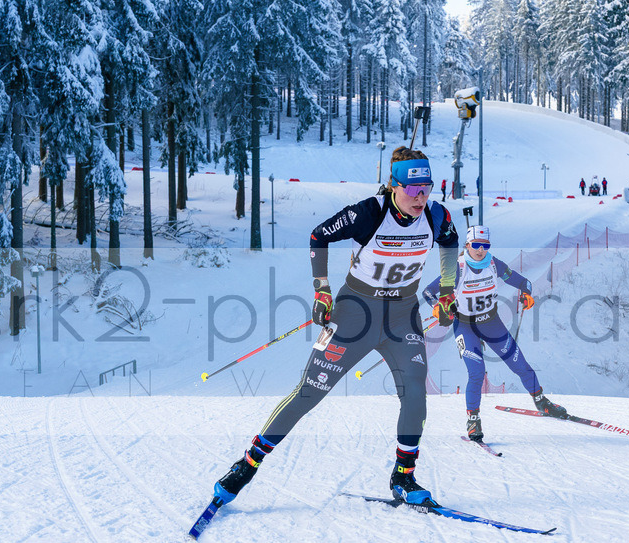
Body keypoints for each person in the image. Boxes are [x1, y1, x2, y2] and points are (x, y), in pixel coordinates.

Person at [208, 146, 460, 510]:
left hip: (402, 315)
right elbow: (319, 235)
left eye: (426, 188)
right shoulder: (368, 213)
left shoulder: (436, 215)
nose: (420, 197)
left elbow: (450, 243)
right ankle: (246, 466)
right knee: (309, 392)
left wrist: (448, 289)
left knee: (415, 391)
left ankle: (404, 476)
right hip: (356, 312)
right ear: (394, 185)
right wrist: (322, 289)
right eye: (412, 189)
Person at [423, 225, 568, 442]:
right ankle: (473, 420)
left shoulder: (493, 264)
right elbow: (428, 292)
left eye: (485, 245)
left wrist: (527, 293)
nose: (480, 250)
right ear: (467, 245)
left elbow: (523, 282)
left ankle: (541, 402)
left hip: (491, 323)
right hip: (465, 327)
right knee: (476, 372)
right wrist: (438, 307)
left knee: (521, 366)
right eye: (476, 245)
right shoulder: (458, 269)